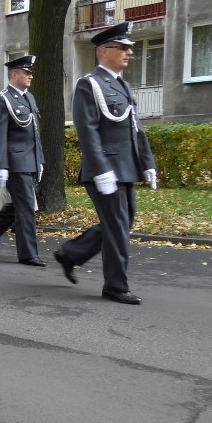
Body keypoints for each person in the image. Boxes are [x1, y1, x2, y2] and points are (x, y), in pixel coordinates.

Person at [54, 23, 157, 305]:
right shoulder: (89, 84)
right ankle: (115, 285)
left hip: (125, 168)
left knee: (121, 224)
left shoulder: (121, 84)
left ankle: (71, 254)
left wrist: (147, 162)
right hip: (105, 171)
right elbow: (87, 131)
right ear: (104, 51)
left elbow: (135, 128)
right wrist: (101, 170)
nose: (129, 52)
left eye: (130, 48)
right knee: (117, 228)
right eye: (123, 47)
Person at [0, 55, 46, 266]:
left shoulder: (29, 98)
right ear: (14, 74)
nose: (30, 76)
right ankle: (28, 253)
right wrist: (0, 167)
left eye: (31, 72)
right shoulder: (2, 99)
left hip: (30, 161)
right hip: (15, 163)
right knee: (25, 207)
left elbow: (35, 133)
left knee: (16, 206)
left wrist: (40, 160)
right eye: (26, 72)